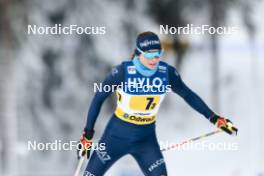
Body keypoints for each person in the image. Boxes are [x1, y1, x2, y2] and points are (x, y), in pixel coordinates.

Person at [77, 31, 238, 176]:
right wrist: (87, 135)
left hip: (145, 140)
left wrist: (214, 118)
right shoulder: (122, 73)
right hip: (116, 137)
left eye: (158, 54)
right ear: (138, 54)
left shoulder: (166, 73)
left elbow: (188, 95)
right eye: (149, 55)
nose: (154, 59)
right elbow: (98, 98)